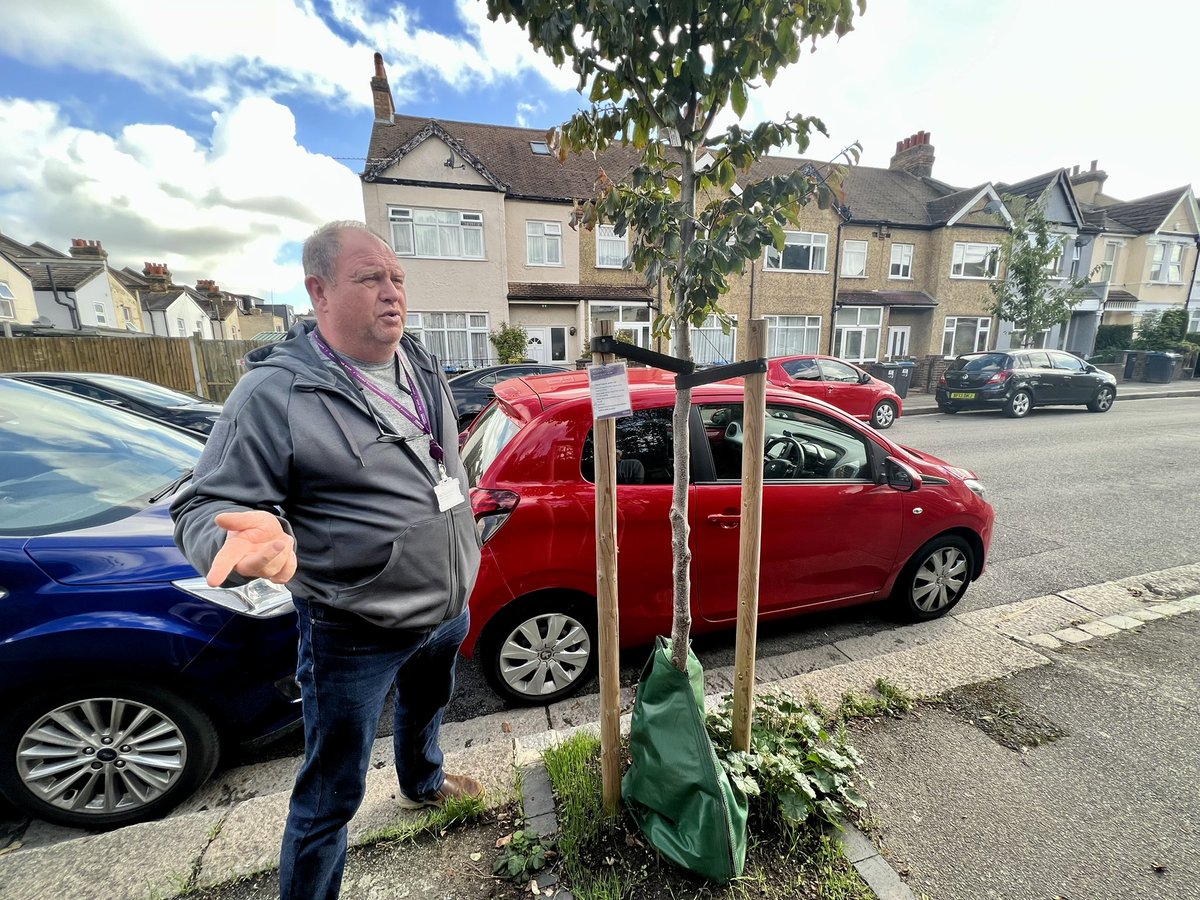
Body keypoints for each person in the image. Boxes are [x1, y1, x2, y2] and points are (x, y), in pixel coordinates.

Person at [171, 220, 483, 900]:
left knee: (428, 705)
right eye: (370, 279)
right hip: (355, 630)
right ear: (317, 291)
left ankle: (423, 781)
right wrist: (236, 542)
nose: (392, 293)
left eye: (397, 279)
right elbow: (199, 507)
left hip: (447, 605)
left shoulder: (420, 361)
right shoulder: (274, 394)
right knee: (331, 790)